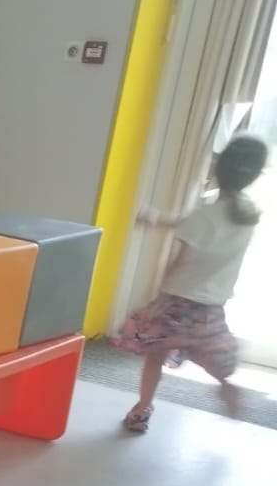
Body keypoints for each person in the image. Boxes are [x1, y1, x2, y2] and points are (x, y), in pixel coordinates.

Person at [113, 133, 268, 433]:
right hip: (211, 304)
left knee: (155, 353)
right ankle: (226, 385)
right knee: (204, 351)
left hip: (179, 300)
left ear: (218, 168)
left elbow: (180, 261)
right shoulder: (247, 216)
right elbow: (197, 224)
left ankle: (142, 409)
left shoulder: (204, 215)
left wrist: (159, 296)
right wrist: (158, 219)